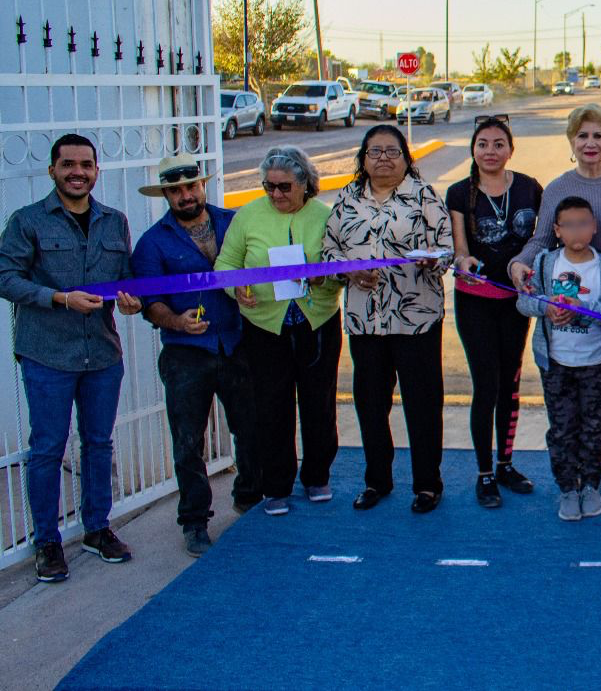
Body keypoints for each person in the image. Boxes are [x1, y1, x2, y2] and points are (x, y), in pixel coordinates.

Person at [0, 134, 142, 582]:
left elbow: (125, 281)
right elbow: (5, 277)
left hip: (101, 353)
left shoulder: (114, 221)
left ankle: (97, 528)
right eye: (68, 165)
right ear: (53, 171)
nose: (77, 171)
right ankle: (47, 541)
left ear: (96, 170)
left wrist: (130, 300)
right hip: (48, 354)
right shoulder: (27, 222)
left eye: (86, 164)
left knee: (98, 444)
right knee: (47, 448)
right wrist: (58, 297)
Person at [131, 154, 259, 557]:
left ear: (202, 186)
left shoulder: (234, 222)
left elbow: (256, 268)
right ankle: (194, 521)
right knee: (189, 441)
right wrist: (176, 321)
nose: (186, 195)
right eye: (176, 190)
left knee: (252, 428)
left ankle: (249, 498)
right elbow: (150, 301)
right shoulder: (152, 242)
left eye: (191, 186)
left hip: (238, 342)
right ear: (166, 195)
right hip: (186, 353)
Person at [510, 103, 601, 498]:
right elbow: (540, 239)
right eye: (582, 135)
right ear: (571, 141)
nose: (590, 142)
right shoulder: (559, 188)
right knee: (575, 400)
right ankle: (576, 476)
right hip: (572, 300)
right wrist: (520, 263)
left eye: (598, 135)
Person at [323, 125, 454, 515]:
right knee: (370, 404)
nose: (383, 158)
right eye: (374, 151)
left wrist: (435, 259)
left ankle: (428, 484)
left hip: (416, 320)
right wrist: (349, 272)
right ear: (363, 158)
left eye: (392, 151)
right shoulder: (346, 200)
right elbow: (327, 252)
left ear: (406, 158)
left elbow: (446, 247)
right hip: (366, 322)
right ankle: (377, 480)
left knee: (423, 404)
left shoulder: (425, 196)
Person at [215, 146, 342, 517]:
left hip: (315, 321)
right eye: (268, 187)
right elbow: (226, 264)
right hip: (265, 325)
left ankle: (317, 476)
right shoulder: (249, 216)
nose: (276, 195)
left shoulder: (325, 215)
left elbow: (340, 267)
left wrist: (323, 279)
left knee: (319, 403)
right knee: (271, 406)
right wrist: (235, 287)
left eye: (285, 187)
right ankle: (276, 485)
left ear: (305, 183)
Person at [446, 115, 541, 508]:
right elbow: (460, 247)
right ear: (473, 149)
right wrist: (464, 262)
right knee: (486, 386)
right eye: (483, 143)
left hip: (515, 303)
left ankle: (506, 463)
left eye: (498, 143)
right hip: (475, 301)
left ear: (510, 149)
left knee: (510, 384)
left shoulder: (530, 188)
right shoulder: (458, 192)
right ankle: (484, 473)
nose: (490, 151)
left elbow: (539, 238)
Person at [516, 197, 601, 521]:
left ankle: (590, 485)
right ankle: (567, 488)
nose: (578, 230)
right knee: (562, 429)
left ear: (594, 227)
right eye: (569, 225)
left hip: (596, 362)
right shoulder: (547, 263)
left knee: (594, 428)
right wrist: (546, 306)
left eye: (584, 223)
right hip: (556, 363)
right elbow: (524, 301)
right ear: (558, 230)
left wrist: (584, 310)